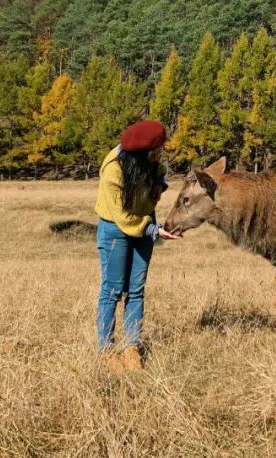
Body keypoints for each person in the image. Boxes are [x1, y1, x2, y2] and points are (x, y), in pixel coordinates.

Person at [94, 119, 181, 372]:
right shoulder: (113, 169)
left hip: (143, 226)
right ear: (145, 151)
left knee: (136, 289)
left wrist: (159, 185)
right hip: (115, 230)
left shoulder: (150, 163)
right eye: (158, 149)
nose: (161, 153)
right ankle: (106, 350)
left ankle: (131, 347)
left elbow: (162, 173)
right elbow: (123, 218)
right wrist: (155, 230)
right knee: (112, 290)